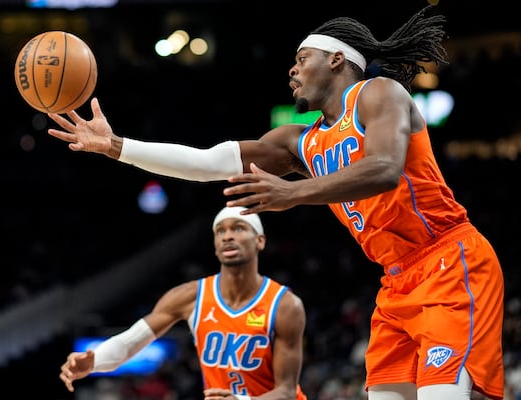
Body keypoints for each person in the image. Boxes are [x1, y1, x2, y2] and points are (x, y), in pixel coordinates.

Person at [47, 5, 505, 400]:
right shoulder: (298, 142)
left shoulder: (378, 94)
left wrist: (294, 192)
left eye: (301, 59)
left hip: (449, 260)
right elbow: (206, 163)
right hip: (395, 283)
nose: (292, 70)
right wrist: (116, 146)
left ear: (337, 59)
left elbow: (384, 167)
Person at [59, 206, 308, 400]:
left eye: (239, 228)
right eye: (220, 231)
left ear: (260, 241)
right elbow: (131, 342)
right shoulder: (190, 296)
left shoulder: (285, 305)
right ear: (214, 245)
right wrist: (94, 361)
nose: (228, 236)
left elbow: (286, 391)